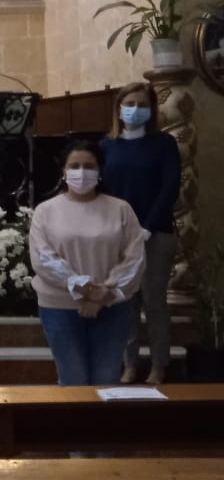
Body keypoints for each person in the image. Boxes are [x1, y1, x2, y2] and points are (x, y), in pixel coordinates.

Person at [29, 140, 147, 386]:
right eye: (74, 166)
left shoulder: (121, 209)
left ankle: (102, 426)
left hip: (112, 307)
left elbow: (134, 258)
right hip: (59, 307)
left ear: (100, 170)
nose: (81, 172)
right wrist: (84, 289)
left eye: (89, 166)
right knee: (73, 379)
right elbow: (44, 258)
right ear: (64, 171)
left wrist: (105, 292)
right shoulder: (46, 211)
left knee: (107, 378)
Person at [100, 81, 181, 384]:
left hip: (155, 233)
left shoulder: (163, 144)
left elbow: (170, 186)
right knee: (124, 302)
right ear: (119, 108)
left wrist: (147, 226)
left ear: (151, 110)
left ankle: (160, 364)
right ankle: (129, 363)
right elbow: (102, 191)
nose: (135, 110)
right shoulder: (107, 146)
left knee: (153, 301)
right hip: (117, 236)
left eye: (142, 105)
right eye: (129, 104)